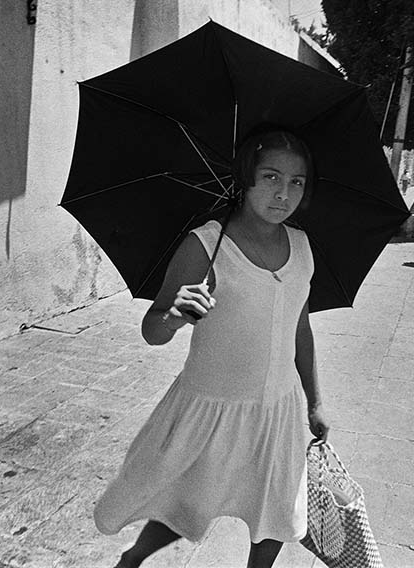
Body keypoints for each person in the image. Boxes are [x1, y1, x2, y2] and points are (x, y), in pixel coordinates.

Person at [94, 128, 330, 568]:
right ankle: (132, 559)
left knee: (277, 511)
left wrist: (315, 401)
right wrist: (176, 313)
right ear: (246, 177)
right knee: (184, 499)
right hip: (211, 408)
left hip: (277, 410)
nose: (284, 193)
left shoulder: (301, 245)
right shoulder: (205, 245)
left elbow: (300, 326)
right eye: (271, 177)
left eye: (297, 181)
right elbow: (153, 330)